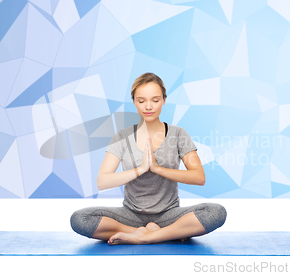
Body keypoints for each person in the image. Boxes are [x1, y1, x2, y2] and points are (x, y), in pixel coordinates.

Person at [70, 73, 226, 245]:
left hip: (169, 215)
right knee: (80, 219)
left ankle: (145, 237)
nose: (148, 106)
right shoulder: (122, 136)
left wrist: (158, 169)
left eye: (155, 100)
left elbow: (199, 177)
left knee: (216, 212)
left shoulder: (178, 134)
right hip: (130, 215)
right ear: (135, 102)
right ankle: (155, 234)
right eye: (141, 101)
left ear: (164, 100)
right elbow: (102, 181)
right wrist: (141, 169)